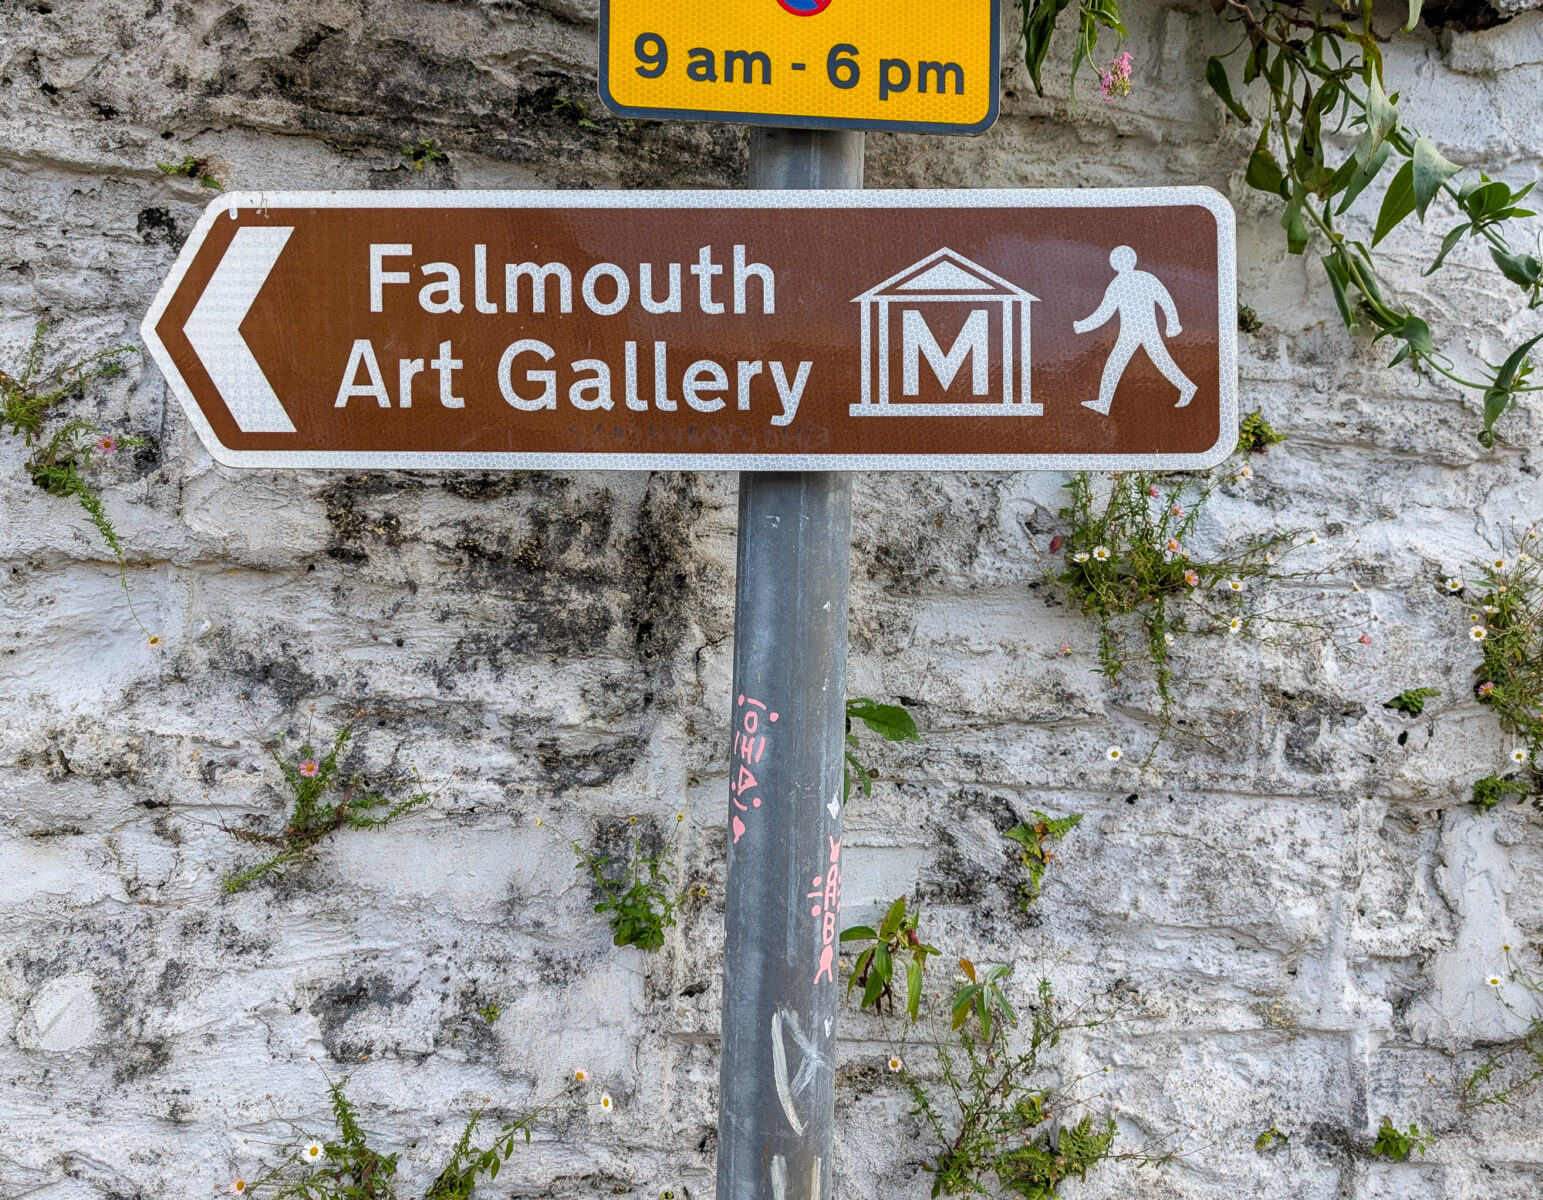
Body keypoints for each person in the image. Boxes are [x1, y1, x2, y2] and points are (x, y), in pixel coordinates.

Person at [1073, 245, 1197, 415]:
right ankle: (1103, 402)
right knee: (1118, 363)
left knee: (1156, 362)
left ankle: (1188, 387)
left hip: (1143, 331)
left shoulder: (1137, 281)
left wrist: (1173, 324)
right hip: (1131, 332)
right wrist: (1083, 326)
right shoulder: (1127, 282)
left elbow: (1164, 300)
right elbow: (1104, 312)